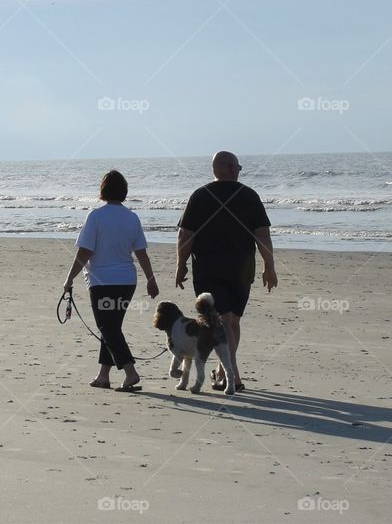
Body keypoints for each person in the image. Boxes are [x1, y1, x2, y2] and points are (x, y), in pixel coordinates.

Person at [176, 151, 277, 392]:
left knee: (227, 323)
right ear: (231, 168)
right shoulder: (249, 196)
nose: (240, 171)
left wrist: (181, 265)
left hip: (207, 268)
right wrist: (269, 267)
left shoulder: (200, 196)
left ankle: (225, 373)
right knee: (231, 323)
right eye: (239, 167)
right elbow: (262, 235)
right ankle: (233, 377)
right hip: (241, 269)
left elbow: (185, 235)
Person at [63, 170, 159, 392]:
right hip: (127, 280)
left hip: (102, 280)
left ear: (103, 190)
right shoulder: (132, 217)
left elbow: (85, 252)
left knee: (108, 328)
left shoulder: (96, 217)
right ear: (124, 192)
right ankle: (103, 376)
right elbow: (141, 253)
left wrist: (69, 278)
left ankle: (130, 372)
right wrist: (151, 279)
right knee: (112, 327)